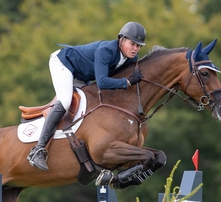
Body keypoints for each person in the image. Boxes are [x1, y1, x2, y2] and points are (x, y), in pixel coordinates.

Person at [27, 22, 146, 171]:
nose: (135, 49)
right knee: (65, 101)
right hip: (64, 64)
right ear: (121, 40)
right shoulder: (106, 50)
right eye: (132, 44)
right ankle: (38, 150)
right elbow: (102, 82)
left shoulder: (130, 58)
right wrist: (127, 81)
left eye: (139, 46)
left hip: (82, 75)